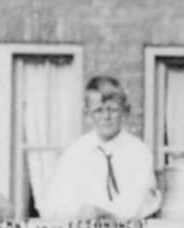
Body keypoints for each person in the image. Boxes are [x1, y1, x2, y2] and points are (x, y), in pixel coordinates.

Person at [37, 76, 161, 220]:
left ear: (125, 111)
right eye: (98, 111)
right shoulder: (74, 153)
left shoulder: (139, 153)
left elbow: (145, 202)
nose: (106, 117)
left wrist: (111, 215)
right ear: (87, 114)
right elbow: (54, 202)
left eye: (113, 110)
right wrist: (80, 211)